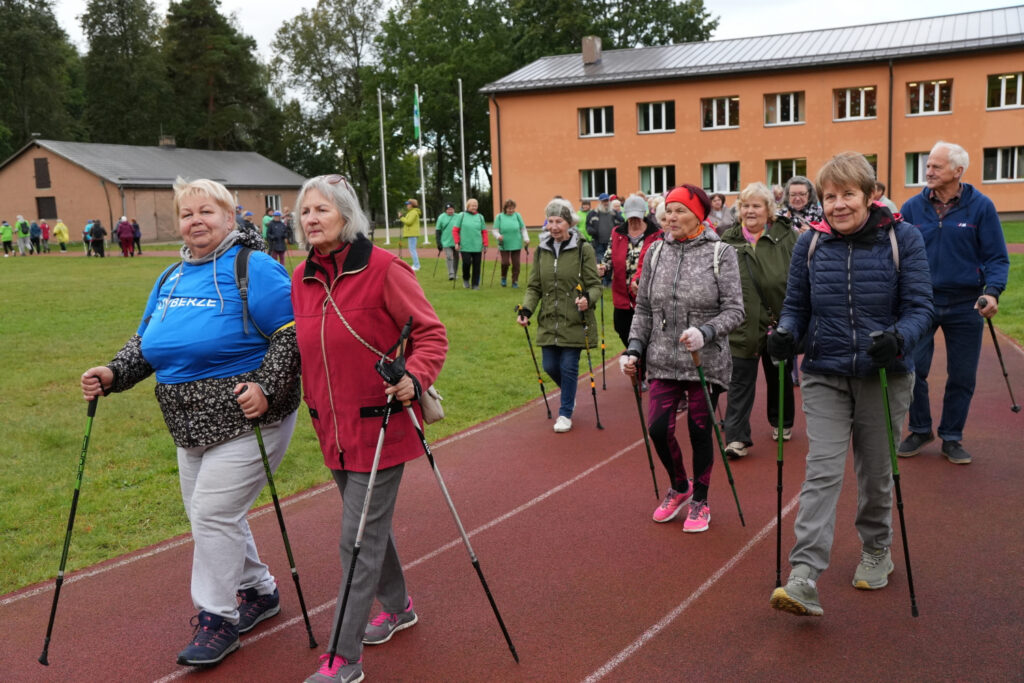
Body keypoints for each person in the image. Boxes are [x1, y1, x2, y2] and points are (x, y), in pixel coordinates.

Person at [80, 177, 301, 665]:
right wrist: (113, 372)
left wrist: (266, 388)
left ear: (230, 217)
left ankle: (216, 617)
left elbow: (291, 335)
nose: (195, 220)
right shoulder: (171, 277)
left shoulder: (255, 267)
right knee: (209, 515)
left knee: (212, 513)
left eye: (207, 211)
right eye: (187, 213)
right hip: (188, 423)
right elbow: (146, 344)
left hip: (248, 416)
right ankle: (259, 592)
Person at [290, 174, 447, 683]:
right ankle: (398, 607)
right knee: (369, 530)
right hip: (331, 430)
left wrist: (415, 377)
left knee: (355, 540)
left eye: (322, 210)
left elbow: (430, 333)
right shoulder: (302, 277)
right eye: (305, 212)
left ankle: (344, 659)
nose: (311, 219)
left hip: (382, 427)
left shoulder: (384, 268)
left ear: (346, 215)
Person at [766, 152, 933, 617]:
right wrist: (784, 337)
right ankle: (803, 574)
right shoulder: (811, 244)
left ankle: (877, 547)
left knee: (876, 473)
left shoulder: (905, 238)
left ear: (871, 195)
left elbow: (922, 307)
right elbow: (796, 308)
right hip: (825, 371)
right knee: (822, 470)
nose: (837, 205)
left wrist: (899, 338)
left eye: (848, 194)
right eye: (830, 196)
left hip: (885, 374)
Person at [622, 184, 744, 532]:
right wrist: (634, 348)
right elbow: (643, 308)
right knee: (658, 428)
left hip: (705, 361)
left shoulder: (722, 254)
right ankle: (680, 486)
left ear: (698, 215)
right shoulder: (656, 251)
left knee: (700, 429)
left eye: (679, 211)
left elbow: (736, 310)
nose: (670, 218)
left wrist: (705, 332)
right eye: (668, 211)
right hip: (662, 358)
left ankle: (701, 501)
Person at [897, 140, 1010, 465]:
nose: (927, 171)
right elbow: (897, 254)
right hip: (921, 303)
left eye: (935, 166)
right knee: (912, 368)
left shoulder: (981, 207)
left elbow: (997, 257)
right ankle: (920, 429)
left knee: (962, 375)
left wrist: (993, 291)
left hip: (966, 304)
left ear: (958, 171)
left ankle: (952, 436)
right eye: (928, 165)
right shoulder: (911, 208)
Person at [720, 182, 798, 458]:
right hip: (741, 325)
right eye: (745, 205)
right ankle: (736, 439)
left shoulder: (787, 237)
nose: (750, 211)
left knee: (779, 377)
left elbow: (800, 277)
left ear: (769, 210)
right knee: (740, 382)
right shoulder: (727, 242)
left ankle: (781, 422)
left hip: (778, 322)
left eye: (756, 205)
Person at [517, 198, 601, 433]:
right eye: (551, 221)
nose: (554, 226)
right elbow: (534, 286)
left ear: (569, 223)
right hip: (548, 320)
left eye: (559, 221)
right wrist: (526, 309)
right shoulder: (541, 250)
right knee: (550, 365)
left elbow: (595, 285)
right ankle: (569, 394)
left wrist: (588, 300)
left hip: (575, 320)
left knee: (568, 366)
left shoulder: (583, 248)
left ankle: (565, 413)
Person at [596, 194, 662, 385]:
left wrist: (640, 279)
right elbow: (609, 256)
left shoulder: (655, 234)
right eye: (630, 216)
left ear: (643, 214)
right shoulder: (618, 232)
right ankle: (641, 363)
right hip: (622, 294)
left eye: (637, 216)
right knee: (622, 328)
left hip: (646, 296)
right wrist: (604, 267)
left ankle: (641, 372)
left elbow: (656, 262)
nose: (633, 220)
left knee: (647, 335)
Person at [453, 198, 488, 289]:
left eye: (475, 205)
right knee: (466, 263)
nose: (474, 207)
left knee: (477, 265)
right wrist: (457, 242)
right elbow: (455, 230)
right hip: (465, 246)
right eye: (472, 205)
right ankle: (466, 278)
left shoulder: (480, 217)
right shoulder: (462, 215)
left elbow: (484, 231)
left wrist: (485, 244)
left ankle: (475, 284)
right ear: (468, 206)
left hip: (477, 245)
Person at [493, 199, 529, 287]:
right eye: (509, 208)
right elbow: (495, 230)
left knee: (516, 264)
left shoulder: (517, 216)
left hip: (516, 243)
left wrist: (526, 238)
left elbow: (523, 229)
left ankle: (515, 281)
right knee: (505, 262)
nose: (511, 210)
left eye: (512, 208)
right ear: (505, 208)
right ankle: (503, 277)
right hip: (504, 243)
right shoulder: (499, 217)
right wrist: (498, 236)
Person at [586, 193, 618, 281]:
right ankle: (602, 281)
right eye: (604, 201)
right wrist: (591, 231)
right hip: (598, 242)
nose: (606, 203)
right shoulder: (592, 213)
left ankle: (608, 281)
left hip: (611, 242)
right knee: (600, 262)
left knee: (610, 262)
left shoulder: (614, 213)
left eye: (607, 201)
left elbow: (621, 223)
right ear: (600, 202)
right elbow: (588, 226)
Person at [436, 203, 459, 280]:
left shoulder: (458, 217)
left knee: (456, 258)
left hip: (456, 241)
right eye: (448, 210)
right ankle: (451, 274)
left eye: (451, 209)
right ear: (445, 210)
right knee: (449, 257)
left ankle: (455, 273)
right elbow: (438, 230)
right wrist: (438, 242)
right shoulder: (441, 217)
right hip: (446, 242)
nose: (450, 211)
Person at [398, 198, 422, 271]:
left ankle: (417, 265)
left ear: (412, 205)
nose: (407, 206)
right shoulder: (411, 212)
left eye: (408, 204)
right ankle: (416, 264)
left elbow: (409, 222)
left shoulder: (413, 212)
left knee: (412, 249)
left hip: (412, 233)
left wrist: (401, 217)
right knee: (412, 249)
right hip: (412, 233)